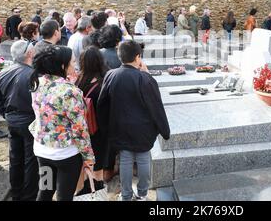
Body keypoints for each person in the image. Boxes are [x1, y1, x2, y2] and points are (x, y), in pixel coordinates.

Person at [97, 41, 170, 201]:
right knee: (143, 158)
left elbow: (102, 104)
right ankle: (143, 194)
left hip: (119, 126)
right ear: (138, 57)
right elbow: (156, 106)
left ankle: (126, 195)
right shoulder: (145, 79)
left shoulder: (111, 75)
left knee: (125, 159)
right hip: (142, 128)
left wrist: (105, 126)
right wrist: (164, 130)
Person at [29, 45, 95, 201]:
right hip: (66, 155)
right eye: (72, 61)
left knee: (45, 190)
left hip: (42, 149)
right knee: (64, 196)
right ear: (62, 66)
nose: (75, 65)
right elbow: (79, 129)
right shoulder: (70, 91)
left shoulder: (37, 83)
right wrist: (88, 158)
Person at [0, 40, 39, 201]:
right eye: (33, 50)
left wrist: (7, 116)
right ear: (29, 54)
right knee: (29, 161)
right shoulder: (33, 74)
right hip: (28, 121)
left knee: (15, 158)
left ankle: (17, 193)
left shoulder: (4, 72)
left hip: (13, 120)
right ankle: (27, 196)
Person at [75, 47, 109, 190]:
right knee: (98, 165)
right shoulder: (103, 83)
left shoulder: (78, 81)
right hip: (99, 131)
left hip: (82, 129)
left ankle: (86, 190)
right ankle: (97, 190)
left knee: (85, 163)